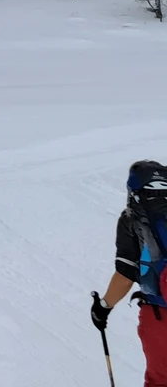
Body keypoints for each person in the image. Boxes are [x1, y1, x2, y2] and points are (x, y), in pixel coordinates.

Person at [94, 159, 167, 387]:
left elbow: (125, 276)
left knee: (159, 381)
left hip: (159, 315)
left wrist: (102, 308)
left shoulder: (131, 219)